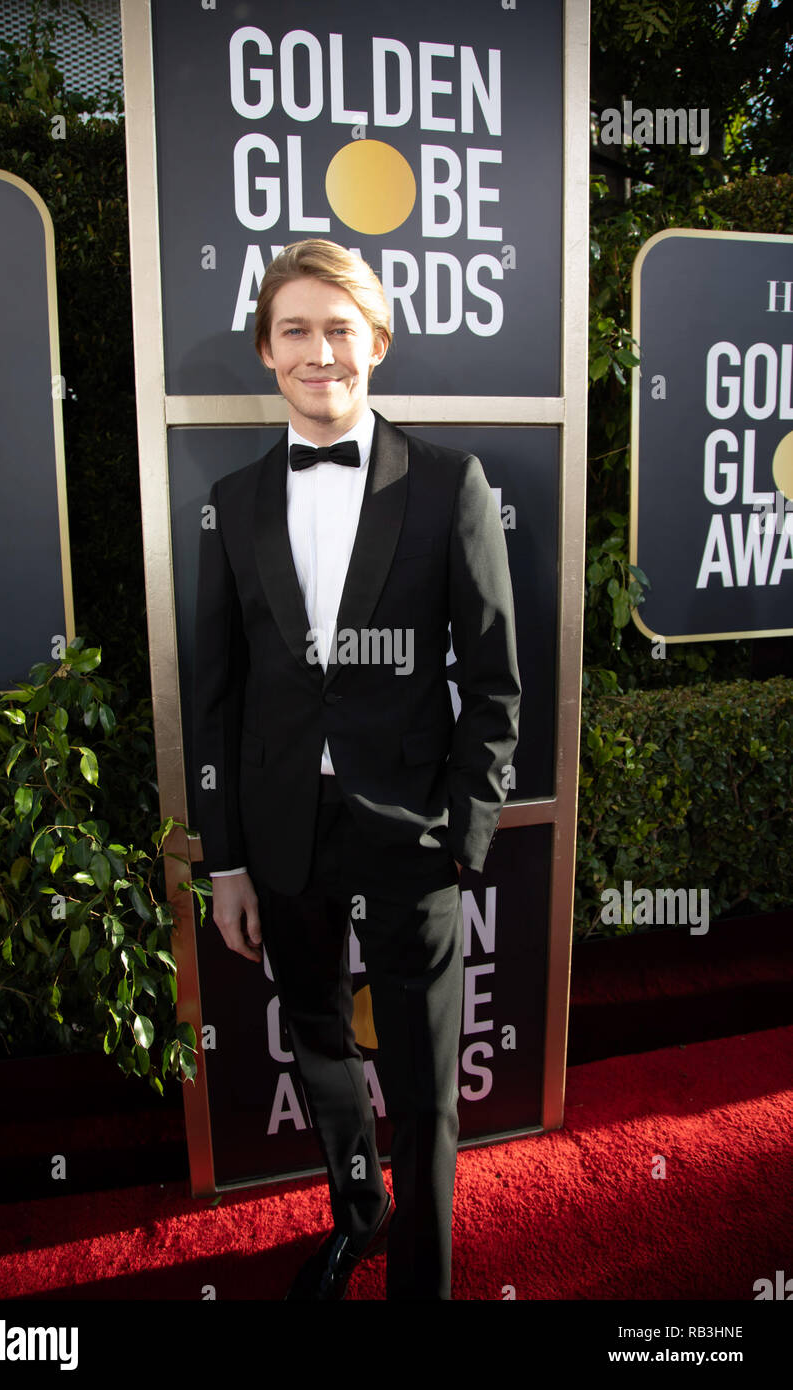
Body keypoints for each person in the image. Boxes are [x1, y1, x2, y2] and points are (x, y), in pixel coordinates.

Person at [193, 238, 520, 1300]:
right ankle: (357, 1211)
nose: (317, 350)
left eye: (339, 327)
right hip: (282, 832)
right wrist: (225, 863)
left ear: (375, 340)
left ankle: (419, 1286)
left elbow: (497, 680)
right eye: (294, 329)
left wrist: (460, 837)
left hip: (409, 834)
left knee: (425, 1091)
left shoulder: (447, 483)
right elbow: (218, 695)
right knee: (321, 1047)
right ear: (265, 350)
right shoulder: (232, 502)